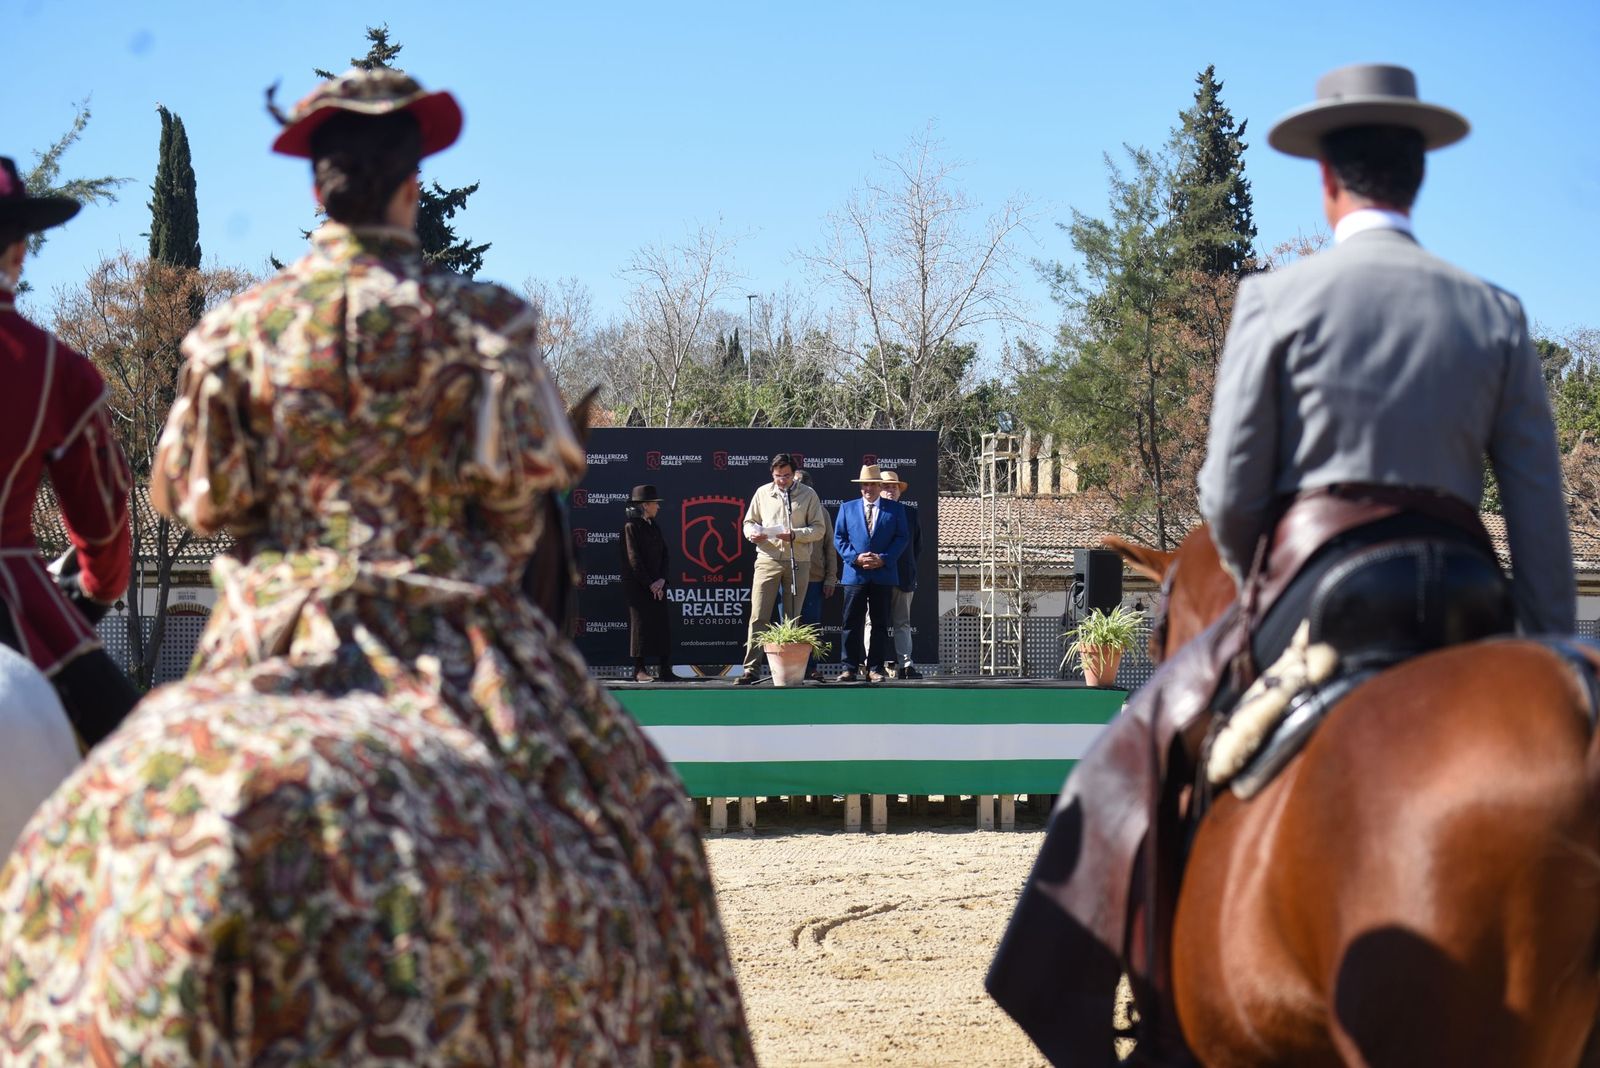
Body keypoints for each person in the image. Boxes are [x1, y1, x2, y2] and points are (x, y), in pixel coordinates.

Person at [0, 69, 753, 1065]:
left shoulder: (238, 328)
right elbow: (533, 478)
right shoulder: (487, 322)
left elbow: (190, 495)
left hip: (273, 633)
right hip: (456, 639)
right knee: (644, 810)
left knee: (113, 802)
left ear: (316, 188)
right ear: (414, 183)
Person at [989, 64, 1574, 1061]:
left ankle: (1142, 1001)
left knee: (1142, 746)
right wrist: (1548, 644)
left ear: (1326, 182)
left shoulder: (1278, 297)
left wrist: (1258, 570)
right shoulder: (1496, 311)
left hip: (1324, 586)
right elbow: (1537, 512)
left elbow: (1225, 496)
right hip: (1471, 595)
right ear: (1417, 178)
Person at [0, 155, 138, 748]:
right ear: (18, 251)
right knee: (142, 770)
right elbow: (104, 527)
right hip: (12, 598)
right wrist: (96, 588)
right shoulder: (55, 368)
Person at [738, 452, 828, 684]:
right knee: (759, 614)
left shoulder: (808, 495)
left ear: (793, 474)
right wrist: (752, 534)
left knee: (791, 618)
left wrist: (795, 535)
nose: (782, 480)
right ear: (772, 473)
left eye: (786, 476)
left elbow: (819, 529)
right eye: (778, 476)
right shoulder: (762, 493)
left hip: (798, 560)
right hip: (767, 558)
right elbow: (748, 522)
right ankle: (751, 669)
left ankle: (790, 671)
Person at [834, 464, 910, 683]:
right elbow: (839, 538)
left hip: (883, 575)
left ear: (880, 486)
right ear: (861, 487)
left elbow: (902, 538)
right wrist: (855, 558)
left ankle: (874, 668)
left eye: (873, 484)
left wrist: (883, 559)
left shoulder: (895, 509)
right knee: (851, 623)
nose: (868, 488)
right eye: (865, 485)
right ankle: (849, 667)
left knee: (879, 624)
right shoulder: (847, 508)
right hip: (855, 575)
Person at [622, 483, 676, 682]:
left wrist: (661, 580)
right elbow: (633, 559)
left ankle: (665, 669)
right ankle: (639, 670)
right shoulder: (631, 527)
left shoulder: (654, 526)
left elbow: (665, 555)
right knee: (640, 627)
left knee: (662, 625)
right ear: (645, 505)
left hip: (658, 586)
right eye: (655, 503)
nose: (658, 507)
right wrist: (649, 584)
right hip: (639, 587)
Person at [789, 470, 838, 680]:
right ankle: (790, 670)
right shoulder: (784, 510)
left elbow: (830, 547)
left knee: (812, 625)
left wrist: (830, 577)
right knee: (789, 624)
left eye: (802, 486)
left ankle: (811, 667)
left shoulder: (823, 513)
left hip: (815, 578)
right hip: (788, 577)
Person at [877, 470, 922, 679]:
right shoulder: (873, 512)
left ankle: (905, 665)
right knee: (873, 622)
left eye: (894, 487)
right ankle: (873, 666)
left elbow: (917, 547)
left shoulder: (910, 513)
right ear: (878, 489)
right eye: (886, 487)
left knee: (903, 622)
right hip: (877, 576)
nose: (890, 490)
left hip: (903, 576)